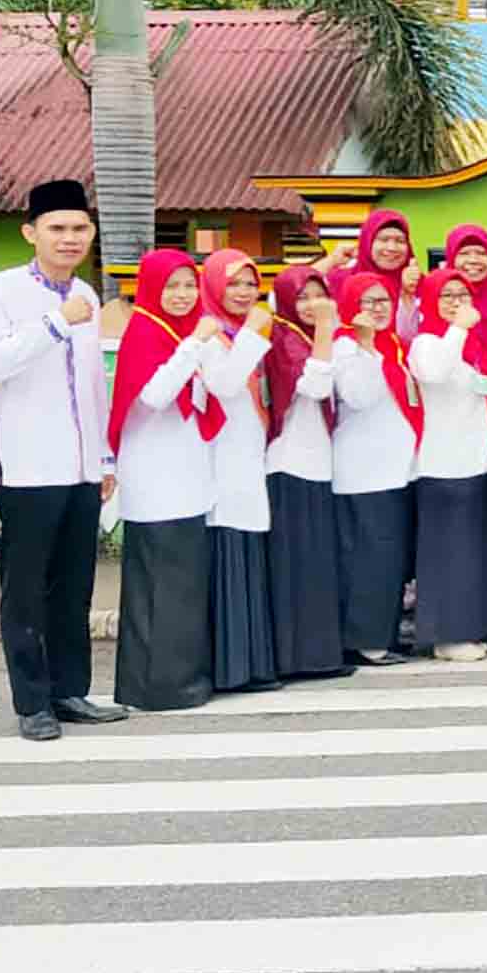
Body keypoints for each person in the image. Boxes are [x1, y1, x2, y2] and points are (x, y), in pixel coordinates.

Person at [0, 180, 127, 740]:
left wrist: (106, 459)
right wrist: (58, 321)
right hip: (31, 471)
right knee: (26, 590)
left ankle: (70, 692)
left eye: (79, 228)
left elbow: (92, 389)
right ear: (30, 233)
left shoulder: (83, 291)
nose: (69, 238)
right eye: (57, 228)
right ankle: (32, 702)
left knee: (74, 587)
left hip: (82, 471)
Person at [108, 249, 219, 711]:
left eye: (189, 285)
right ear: (151, 289)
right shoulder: (147, 332)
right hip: (155, 484)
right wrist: (193, 343)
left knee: (182, 588)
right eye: (171, 286)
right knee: (156, 589)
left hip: (186, 479)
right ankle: (151, 688)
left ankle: (182, 680)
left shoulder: (177, 333)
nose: (181, 295)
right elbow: (152, 396)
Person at [409, 265, 487, 661]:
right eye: (446, 296)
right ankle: (445, 636)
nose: (455, 303)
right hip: (443, 464)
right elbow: (433, 373)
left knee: (468, 554)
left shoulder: (467, 346)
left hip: (472, 462)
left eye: (462, 295)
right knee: (447, 556)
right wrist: (459, 328)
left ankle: (466, 628)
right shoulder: (427, 341)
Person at [262, 264, 350, 681]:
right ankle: (294, 658)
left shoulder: (301, 336)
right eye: (302, 297)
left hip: (316, 463)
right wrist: (326, 332)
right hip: (289, 463)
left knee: (315, 565)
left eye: (320, 295)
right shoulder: (285, 338)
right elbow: (314, 388)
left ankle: (318, 655)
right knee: (296, 567)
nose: (314, 305)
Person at [200, 250, 280, 693]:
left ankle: (253, 665)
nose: (244, 292)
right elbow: (226, 385)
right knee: (230, 561)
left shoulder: (238, 334)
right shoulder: (212, 336)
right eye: (233, 283)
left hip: (248, 460)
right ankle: (231, 669)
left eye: (250, 283)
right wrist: (251, 333)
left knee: (249, 559)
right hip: (222, 464)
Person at [332, 271, 419, 666]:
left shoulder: (392, 347)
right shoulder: (345, 349)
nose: (376, 309)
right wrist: (364, 345)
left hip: (396, 470)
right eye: (366, 302)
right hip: (364, 471)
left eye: (383, 301)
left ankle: (384, 635)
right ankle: (367, 641)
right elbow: (359, 396)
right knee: (370, 560)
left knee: (390, 560)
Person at [327, 209, 422, 339]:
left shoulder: (420, 285)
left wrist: (407, 295)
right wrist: (330, 261)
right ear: (368, 242)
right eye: (383, 239)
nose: (392, 248)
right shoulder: (339, 281)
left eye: (400, 241)